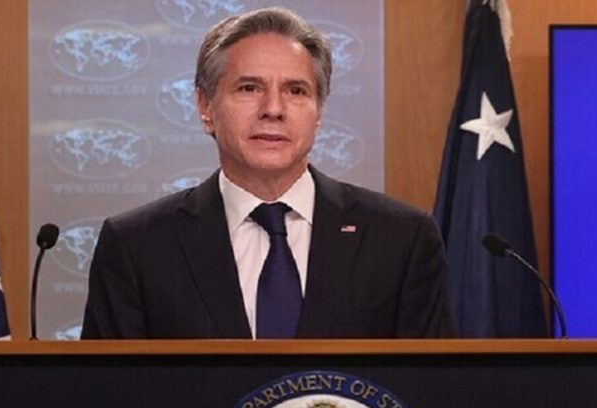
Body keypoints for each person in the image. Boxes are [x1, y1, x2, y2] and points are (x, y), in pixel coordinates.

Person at [81, 7, 455, 339]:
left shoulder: (401, 239)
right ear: (205, 107)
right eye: (249, 88)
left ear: (319, 112)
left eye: (296, 91)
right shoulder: (136, 246)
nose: (273, 109)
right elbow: (110, 392)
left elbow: (428, 389)